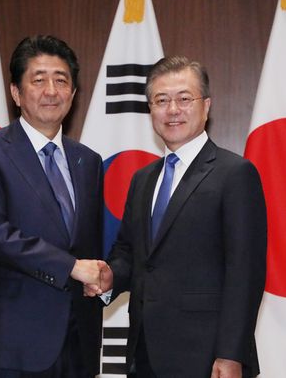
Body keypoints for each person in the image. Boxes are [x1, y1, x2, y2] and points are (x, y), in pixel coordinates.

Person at [88, 56, 267, 378]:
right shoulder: (143, 179)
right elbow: (130, 252)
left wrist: (230, 354)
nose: (172, 110)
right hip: (144, 353)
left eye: (184, 99)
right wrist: (109, 277)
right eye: (161, 100)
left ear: (206, 105)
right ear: (151, 110)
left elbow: (245, 272)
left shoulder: (235, 173)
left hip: (207, 356)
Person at [0, 35, 104, 378]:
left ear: (72, 93)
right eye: (38, 80)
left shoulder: (88, 160)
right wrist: (71, 266)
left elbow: (90, 244)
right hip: (13, 346)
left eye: (61, 79)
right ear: (16, 92)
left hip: (79, 344)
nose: (51, 90)